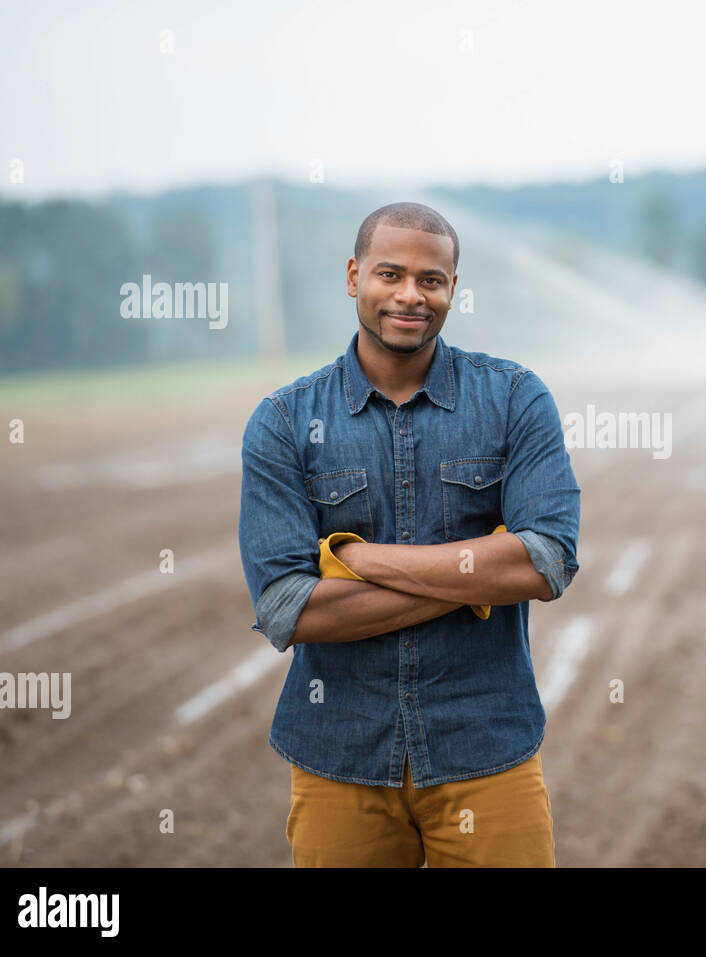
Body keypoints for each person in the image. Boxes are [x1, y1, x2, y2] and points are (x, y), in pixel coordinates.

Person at [238, 201, 581, 867]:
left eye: (432, 280)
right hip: (340, 754)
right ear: (352, 276)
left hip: (487, 748)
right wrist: (477, 578)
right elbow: (288, 606)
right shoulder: (283, 421)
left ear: (453, 288)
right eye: (389, 274)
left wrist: (357, 560)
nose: (409, 295)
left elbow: (546, 560)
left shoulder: (515, 398)